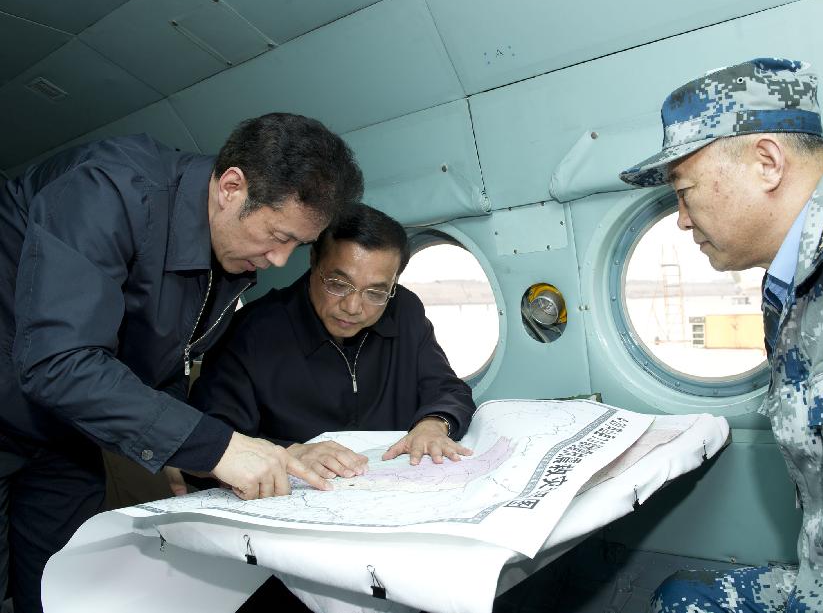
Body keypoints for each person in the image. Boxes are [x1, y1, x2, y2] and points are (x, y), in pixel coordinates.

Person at [0, 112, 363, 612]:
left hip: (66, 431)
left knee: (62, 586)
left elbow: (155, 369)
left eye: (296, 247)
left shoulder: (227, 254)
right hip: (17, 395)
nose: (280, 260)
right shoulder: (106, 188)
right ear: (232, 187)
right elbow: (59, 361)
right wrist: (215, 448)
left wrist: (232, 453)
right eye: (278, 236)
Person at [619, 57, 823, 612]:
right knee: (679, 598)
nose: (680, 217)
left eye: (684, 189)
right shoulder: (791, 289)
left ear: (767, 162)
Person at [188, 202, 476, 483]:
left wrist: (434, 424)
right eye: (338, 285)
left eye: (375, 292)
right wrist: (290, 453)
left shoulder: (404, 311)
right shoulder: (250, 331)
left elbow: (448, 389)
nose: (353, 307)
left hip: (388, 487)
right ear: (314, 261)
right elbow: (213, 436)